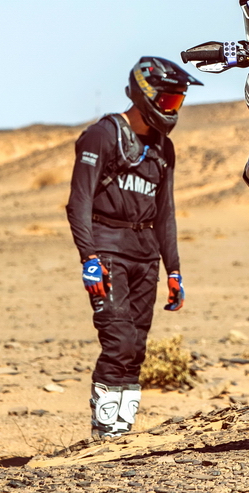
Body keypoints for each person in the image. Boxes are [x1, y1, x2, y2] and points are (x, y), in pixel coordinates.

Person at [66, 56, 202, 438]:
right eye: (168, 100)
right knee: (119, 340)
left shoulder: (164, 148)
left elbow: (166, 213)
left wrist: (174, 270)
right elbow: (79, 202)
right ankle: (104, 430)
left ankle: (121, 433)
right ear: (146, 95)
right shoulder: (102, 136)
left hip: (146, 255)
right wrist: (89, 258)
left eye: (178, 101)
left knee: (137, 346)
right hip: (107, 250)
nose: (173, 109)